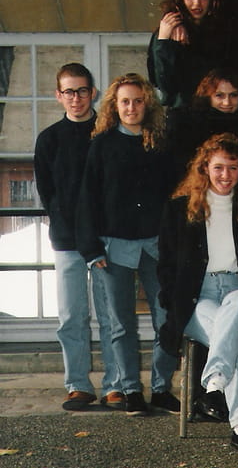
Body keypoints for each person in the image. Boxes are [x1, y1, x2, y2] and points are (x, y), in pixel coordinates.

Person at [157, 133, 238, 454]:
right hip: (198, 297)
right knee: (235, 337)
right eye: (218, 167)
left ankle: (214, 382)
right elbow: (166, 266)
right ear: (205, 167)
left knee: (237, 306)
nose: (225, 175)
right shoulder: (179, 210)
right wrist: (173, 304)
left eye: (233, 168)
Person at [76, 73, 179, 416]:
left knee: (166, 319)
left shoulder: (160, 145)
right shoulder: (102, 145)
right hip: (113, 247)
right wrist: (91, 249)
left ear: (147, 104)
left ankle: (161, 389)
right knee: (120, 324)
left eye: (137, 101)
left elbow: (174, 199)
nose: (131, 107)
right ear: (114, 106)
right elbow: (87, 199)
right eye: (125, 102)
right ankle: (131, 390)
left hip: (155, 246)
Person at [34, 63, 122, 411]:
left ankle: (115, 385)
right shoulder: (49, 139)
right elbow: (48, 192)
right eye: (69, 92)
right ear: (58, 96)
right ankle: (78, 386)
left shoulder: (108, 135)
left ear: (93, 93)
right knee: (71, 317)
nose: (76, 98)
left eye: (82, 90)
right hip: (67, 241)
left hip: (107, 240)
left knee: (111, 316)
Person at [148, 0, 231, 108]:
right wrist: (164, 40)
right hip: (182, 111)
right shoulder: (168, 31)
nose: (197, 3)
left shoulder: (222, 30)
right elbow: (164, 85)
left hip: (216, 109)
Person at [166, 67, 238, 178]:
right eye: (219, 95)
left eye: (233, 95)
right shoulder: (191, 126)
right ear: (208, 97)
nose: (227, 102)